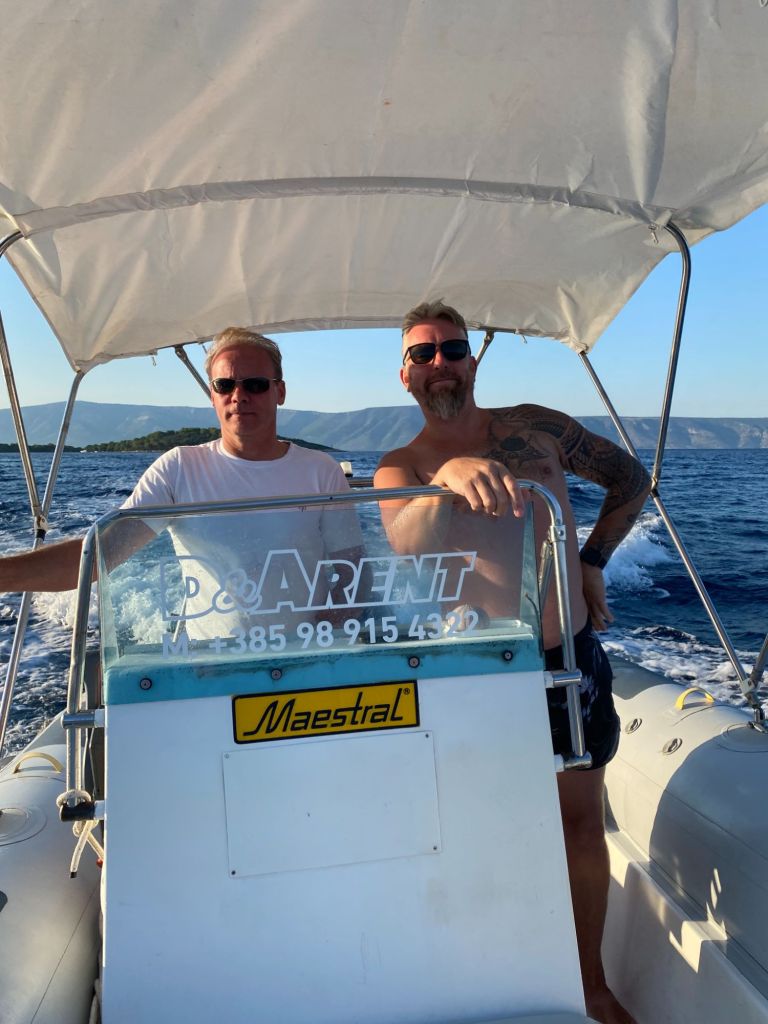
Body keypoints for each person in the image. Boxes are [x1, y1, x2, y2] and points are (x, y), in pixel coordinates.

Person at [374, 300, 651, 1024]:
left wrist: (592, 560)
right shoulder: (400, 466)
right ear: (405, 375)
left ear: (473, 361)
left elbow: (631, 479)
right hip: (477, 675)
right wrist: (447, 477)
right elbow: (406, 543)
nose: (440, 363)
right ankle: (491, 978)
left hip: (569, 659)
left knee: (580, 827)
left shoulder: (539, 427)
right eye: (423, 354)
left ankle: (589, 987)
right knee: (479, 828)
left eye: (452, 349)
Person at [0, 328, 355, 623]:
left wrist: (331, 641)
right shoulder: (179, 468)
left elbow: (353, 571)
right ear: (213, 396)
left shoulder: (321, 471)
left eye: (255, 384)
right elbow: (100, 555)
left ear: (280, 391)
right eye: (225, 385)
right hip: (210, 668)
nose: (239, 396)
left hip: (309, 660)